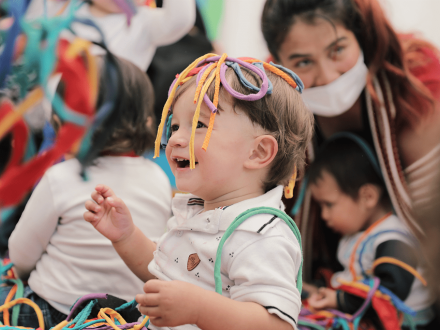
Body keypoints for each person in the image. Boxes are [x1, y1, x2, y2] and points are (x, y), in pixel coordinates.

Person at [84, 55, 314, 330]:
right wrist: (127, 236)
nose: (177, 139)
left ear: (258, 152)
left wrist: (199, 309)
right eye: (176, 126)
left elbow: (276, 325)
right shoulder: (197, 208)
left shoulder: (261, 235)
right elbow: (163, 272)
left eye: (200, 126)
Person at [261, 0, 440, 280]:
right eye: (303, 62)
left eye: (338, 50)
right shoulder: (269, 105)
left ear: (361, 35)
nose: (328, 76)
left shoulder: (418, 76)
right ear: (278, 63)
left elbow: (434, 203)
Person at [7, 55, 172, 328]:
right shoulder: (159, 178)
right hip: (126, 318)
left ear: (62, 125)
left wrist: (20, 274)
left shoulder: (61, 177)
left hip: (54, 312)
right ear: (145, 120)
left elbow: (21, 254)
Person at [306, 135, 436, 328]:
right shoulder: (355, 236)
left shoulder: (394, 238)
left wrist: (340, 300)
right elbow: (347, 277)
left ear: (368, 197)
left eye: (329, 204)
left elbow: (389, 292)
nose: (324, 215)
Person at [25, 0, 196, 71]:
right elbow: (28, 28)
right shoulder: (66, 10)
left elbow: (181, 18)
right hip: (46, 119)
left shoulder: (143, 22)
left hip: (107, 130)